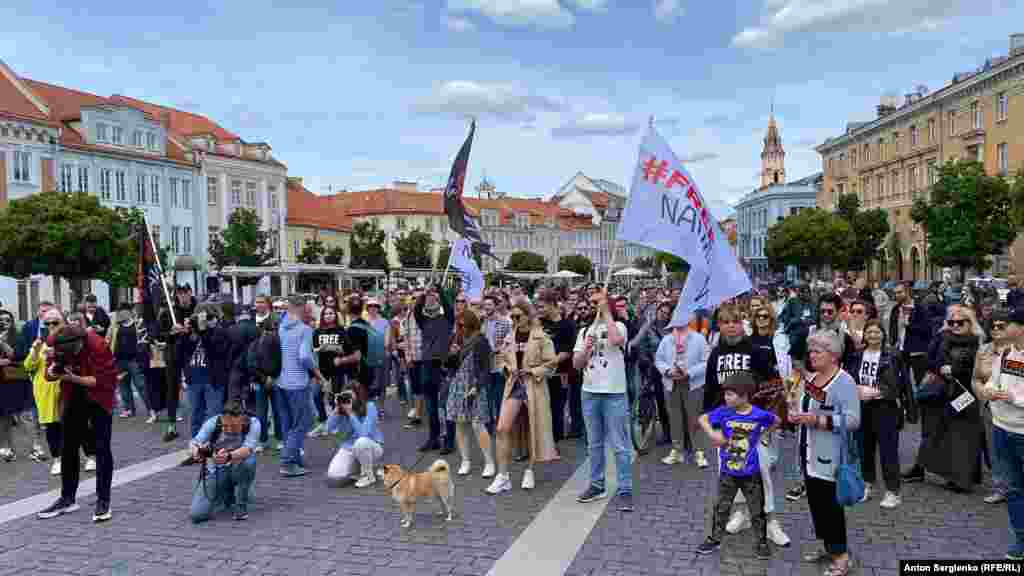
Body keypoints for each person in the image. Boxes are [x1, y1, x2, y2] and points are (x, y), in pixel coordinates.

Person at [792, 328, 859, 576]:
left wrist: (818, 420)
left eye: (816, 351)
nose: (811, 355)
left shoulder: (844, 381)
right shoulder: (813, 379)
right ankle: (828, 547)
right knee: (816, 505)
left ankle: (841, 557)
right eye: (810, 351)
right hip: (808, 452)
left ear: (832, 355)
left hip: (830, 455)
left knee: (831, 508)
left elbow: (853, 420)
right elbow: (807, 406)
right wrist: (796, 414)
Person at [37, 325, 119, 523]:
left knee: (101, 447)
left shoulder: (98, 345)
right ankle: (67, 498)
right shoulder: (54, 343)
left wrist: (72, 377)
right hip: (73, 392)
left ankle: (103, 501)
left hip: (99, 394)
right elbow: (48, 376)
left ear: (80, 343)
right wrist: (52, 369)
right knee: (68, 446)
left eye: (72, 352)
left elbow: (99, 381)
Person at [697, 372, 778, 559]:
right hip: (728, 472)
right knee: (721, 507)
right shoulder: (724, 412)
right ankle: (714, 539)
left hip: (751, 473)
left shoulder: (758, 415)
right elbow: (703, 419)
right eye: (725, 394)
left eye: (730, 394)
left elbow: (776, 421)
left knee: (757, 509)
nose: (726, 398)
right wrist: (713, 434)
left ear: (744, 395)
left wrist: (764, 435)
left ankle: (762, 542)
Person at [487, 302, 559, 494]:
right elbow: (501, 358)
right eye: (513, 317)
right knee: (502, 428)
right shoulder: (510, 336)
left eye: (518, 316)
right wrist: (507, 368)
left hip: (534, 387)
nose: (515, 320)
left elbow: (552, 364)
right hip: (514, 386)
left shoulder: (541, 337)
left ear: (528, 315)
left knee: (532, 428)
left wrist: (532, 370)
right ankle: (503, 476)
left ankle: (530, 470)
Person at [572, 288, 633, 511]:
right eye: (592, 302)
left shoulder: (619, 326)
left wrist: (607, 313)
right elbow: (576, 365)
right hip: (589, 391)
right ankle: (597, 484)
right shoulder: (584, 331)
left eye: (598, 302)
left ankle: (625, 488)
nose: (593, 305)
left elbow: (617, 340)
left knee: (619, 444)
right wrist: (585, 351)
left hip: (614, 392)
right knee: (594, 443)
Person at [975, 306, 1024, 559]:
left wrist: (1013, 397)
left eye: (1010, 324)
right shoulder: (1006, 354)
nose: (1003, 328)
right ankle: (1021, 540)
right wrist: (989, 390)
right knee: (1013, 488)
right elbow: (994, 379)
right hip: (1002, 427)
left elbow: (1016, 395)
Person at [845, 319, 908, 509]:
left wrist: (875, 392)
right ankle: (867, 484)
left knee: (888, 451)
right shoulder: (857, 356)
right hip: (862, 408)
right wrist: (856, 390)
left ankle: (893, 491)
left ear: (883, 334)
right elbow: (849, 378)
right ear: (864, 335)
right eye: (869, 332)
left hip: (885, 408)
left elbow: (899, 384)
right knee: (864, 449)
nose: (873, 335)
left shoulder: (893, 355)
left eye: (876, 332)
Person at [921, 304, 983, 493]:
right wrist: (940, 368)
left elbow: (978, 369)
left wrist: (954, 370)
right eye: (951, 322)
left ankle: (964, 480)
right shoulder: (942, 338)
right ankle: (953, 476)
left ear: (969, 323)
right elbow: (930, 361)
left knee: (965, 438)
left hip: (967, 395)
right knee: (948, 436)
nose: (955, 325)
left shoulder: (977, 342)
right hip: (945, 393)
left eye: (960, 322)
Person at [188, 399, 260, 523]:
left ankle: (240, 504)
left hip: (237, 467)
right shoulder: (213, 422)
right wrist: (196, 452)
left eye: (234, 426)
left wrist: (228, 456)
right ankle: (227, 494)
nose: (229, 430)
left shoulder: (254, 423)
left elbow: (248, 449)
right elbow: (193, 442)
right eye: (225, 426)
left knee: (249, 461)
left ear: (242, 420)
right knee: (197, 514)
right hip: (215, 471)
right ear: (221, 418)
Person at [276, 295, 325, 477]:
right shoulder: (305, 330)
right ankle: (288, 462)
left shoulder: (280, 327)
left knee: (289, 424)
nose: (309, 311)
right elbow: (304, 356)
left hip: (281, 382)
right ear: (301, 308)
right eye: (307, 308)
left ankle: (294, 459)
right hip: (297, 383)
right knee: (303, 422)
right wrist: (319, 375)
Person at [446, 309, 493, 477]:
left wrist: (478, 386)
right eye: (458, 325)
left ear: (471, 324)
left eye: (462, 325)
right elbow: (448, 365)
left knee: (477, 423)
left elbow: (485, 368)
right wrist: (451, 354)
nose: (460, 328)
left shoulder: (480, 341)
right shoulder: (456, 339)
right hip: (458, 385)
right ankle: (465, 460)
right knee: (460, 423)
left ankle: (489, 461)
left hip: (474, 385)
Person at [655, 321, 708, 466]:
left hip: (693, 384)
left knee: (695, 418)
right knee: (674, 418)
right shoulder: (666, 340)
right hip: (671, 384)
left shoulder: (698, 338)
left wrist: (690, 373)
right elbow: (658, 360)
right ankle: (677, 450)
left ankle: (699, 451)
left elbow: (705, 361)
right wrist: (667, 370)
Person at [974, 309, 1012, 505]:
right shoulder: (984, 350)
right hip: (990, 406)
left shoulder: (1017, 350)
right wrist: (981, 391)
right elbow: (976, 379)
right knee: (995, 448)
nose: (996, 330)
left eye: (1001, 326)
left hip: (1015, 409)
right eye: (993, 326)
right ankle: (1000, 488)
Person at [178, 304, 232, 441]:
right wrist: (185, 334)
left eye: (204, 316)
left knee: (213, 415)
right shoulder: (194, 331)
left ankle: (211, 442)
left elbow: (215, 350)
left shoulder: (220, 331)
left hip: (212, 379)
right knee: (195, 414)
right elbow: (184, 351)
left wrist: (203, 331)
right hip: (194, 378)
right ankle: (196, 443)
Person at [414, 284, 455, 453]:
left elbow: (449, 307)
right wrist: (423, 294)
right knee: (430, 407)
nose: (431, 303)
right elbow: (417, 310)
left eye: (434, 301)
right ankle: (433, 439)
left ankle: (448, 441)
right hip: (427, 366)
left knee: (444, 407)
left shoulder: (447, 320)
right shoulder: (423, 322)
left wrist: (440, 289)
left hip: (442, 366)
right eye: (428, 302)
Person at [23, 309, 65, 475]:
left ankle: (89, 455)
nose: (51, 326)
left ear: (63, 321)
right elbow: (28, 366)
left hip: (67, 390)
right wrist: (34, 351)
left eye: (55, 322)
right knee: (52, 428)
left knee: (72, 426)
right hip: (46, 393)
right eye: (47, 323)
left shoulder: (71, 339)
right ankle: (57, 459)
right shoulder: (42, 343)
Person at [539, 291, 576, 444]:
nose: (539, 309)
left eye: (542, 306)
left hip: (559, 373)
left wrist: (549, 363)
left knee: (557, 406)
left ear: (551, 304)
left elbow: (567, 351)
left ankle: (555, 440)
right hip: (541, 373)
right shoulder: (541, 323)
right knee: (542, 407)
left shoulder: (568, 324)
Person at [311, 306, 348, 437]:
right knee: (316, 394)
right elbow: (313, 350)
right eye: (326, 314)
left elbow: (346, 349)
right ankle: (322, 420)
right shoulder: (317, 332)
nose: (328, 316)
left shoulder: (341, 331)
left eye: (331, 313)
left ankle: (335, 422)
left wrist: (335, 347)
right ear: (322, 316)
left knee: (335, 396)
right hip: (321, 369)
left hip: (337, 368)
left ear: (335, 315)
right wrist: (321, 348)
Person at [109, 304, 149, 420]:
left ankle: (150, 408)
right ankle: (129, 409)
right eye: (119, 312)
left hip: (134, 360)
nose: (120, 314)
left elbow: (143, 339)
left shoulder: (137, 324)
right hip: (119, 360)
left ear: (129, 312)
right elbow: (109, 338)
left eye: (122, 311)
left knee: (140, 385)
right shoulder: (115, 325)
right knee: (123, 386)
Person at [0, 309, 25, 463]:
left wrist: (2, 343)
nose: (4, 323)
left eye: (7, 320)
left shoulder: (17, 336)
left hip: (11, 381)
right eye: (1, 320)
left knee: (14, 416)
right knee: (2, 418)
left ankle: (32, 445)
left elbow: (16, 355)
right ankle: (6, 447)